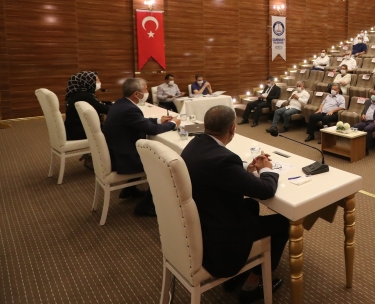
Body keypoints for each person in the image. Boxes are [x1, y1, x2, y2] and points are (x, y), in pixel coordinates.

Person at [181, 105, 288, 301]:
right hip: (221, 240)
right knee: (283, 223)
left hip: (203, 219)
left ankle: (240, 273)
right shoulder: (223, 160)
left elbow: (218, 174)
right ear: (232, 128)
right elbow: (266, 191)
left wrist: (246, 168)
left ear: (205, 125)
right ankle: (252, 285)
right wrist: (267, 169)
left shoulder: (194, 145)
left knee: (251, 205)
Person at [103, 78, 179, 216]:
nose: (147, 91)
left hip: (116, 151)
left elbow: (139, 122)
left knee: (151, 155)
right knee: (162, 165)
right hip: (124, 158)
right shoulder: (130, 109)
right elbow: (152, 130)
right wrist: (173, 124)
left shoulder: (121, 104)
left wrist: (158, 120)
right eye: (145, 89)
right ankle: (145, 206)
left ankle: (130, 189)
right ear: (137, 94)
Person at [64, 71, 110, 169]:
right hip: (81, 132)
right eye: (96, 80)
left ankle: (91, 155)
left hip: (74, 130)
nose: (99, 82)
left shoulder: (79, 94)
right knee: (115, 129)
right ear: (87, 82)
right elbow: (103, 109)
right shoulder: (85, 96)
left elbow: (98, 105)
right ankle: (105, 160)